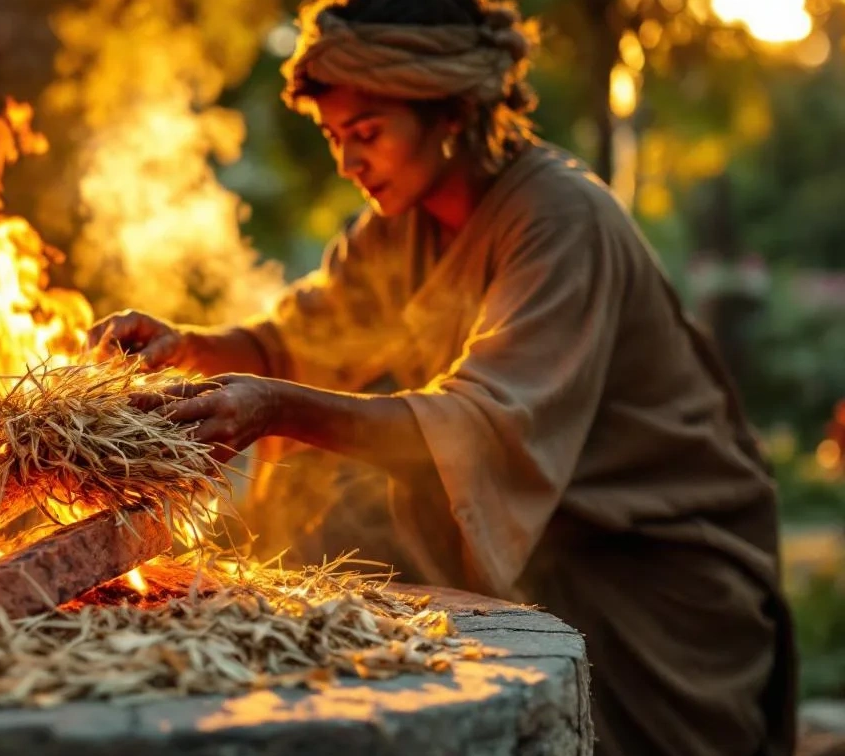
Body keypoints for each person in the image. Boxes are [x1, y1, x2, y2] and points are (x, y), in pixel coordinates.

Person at [88, 1, 797, 754]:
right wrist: (189, 346)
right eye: (335, 138)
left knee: (356, 498)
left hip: (646, 574)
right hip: (545, 546)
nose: (348, 163)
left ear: (452, 113)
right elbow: (302, 340)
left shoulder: (561, 220)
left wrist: (272, 410)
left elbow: (482, 429)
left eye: (366, 135)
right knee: (321, 493)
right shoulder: (398, 225)